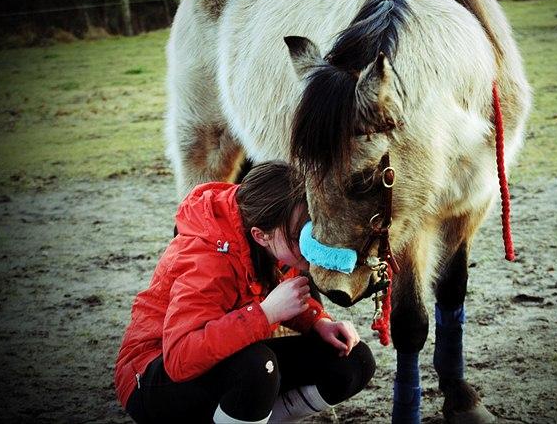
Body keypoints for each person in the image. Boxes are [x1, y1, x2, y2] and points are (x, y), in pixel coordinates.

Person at [115, 162, 376, 423]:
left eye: (312, 231)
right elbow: (180, 358)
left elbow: (281, 296)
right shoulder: (208, 259)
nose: (309, 246)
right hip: (151, 379)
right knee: (257, 367)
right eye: (300, 236)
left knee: (354, 360)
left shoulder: (274, 234)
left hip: (227, 358)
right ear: (260, 235)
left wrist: (319, 322)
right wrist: (264, 314)